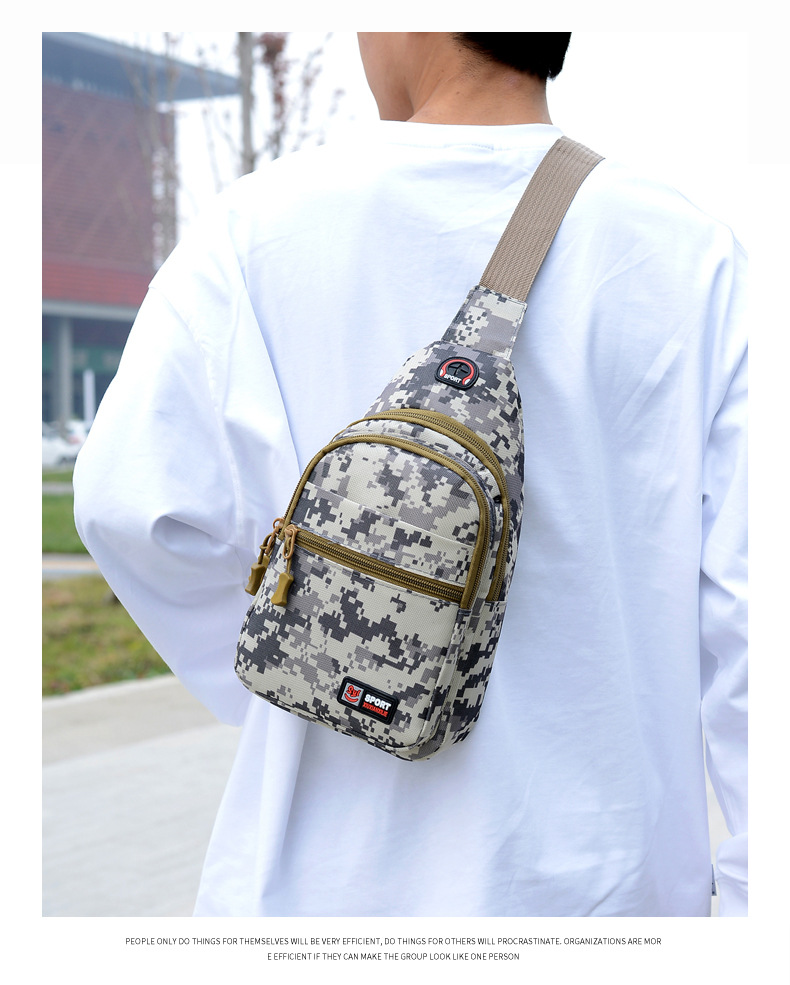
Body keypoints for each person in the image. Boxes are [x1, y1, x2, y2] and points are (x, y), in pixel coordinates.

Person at [73, 32, 747, 917]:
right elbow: (751, 619)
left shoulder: (257, 228)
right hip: (609, 891)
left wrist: (305, 667)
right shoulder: (692, 255)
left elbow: (128, 507)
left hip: (314, 891)